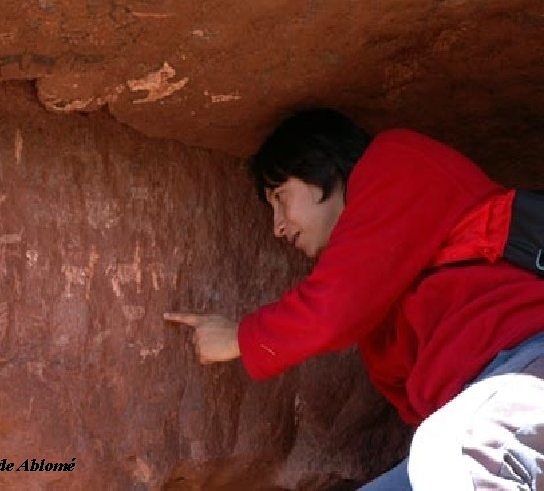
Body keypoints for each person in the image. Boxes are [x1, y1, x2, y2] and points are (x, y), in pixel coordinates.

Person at [164, 108, 544, 489]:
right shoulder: (382, 303)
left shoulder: (397, 160)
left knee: (458, 457)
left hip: (526, 365)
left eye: (280, 196)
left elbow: (332, 311)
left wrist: (238, 339)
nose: (277, 226)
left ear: (321, 168)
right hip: (482, 411)